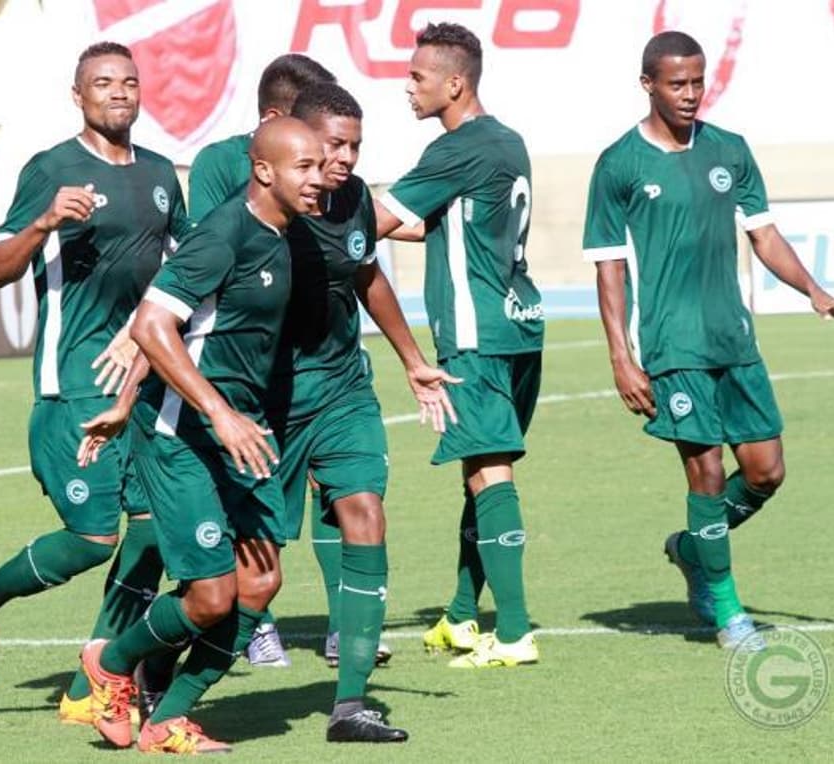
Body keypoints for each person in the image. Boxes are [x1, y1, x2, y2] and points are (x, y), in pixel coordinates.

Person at [0, 43, 190, 716]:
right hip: (69, 386)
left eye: (129, 82)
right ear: (77, 96)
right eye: (103, 83)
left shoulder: (163, 175)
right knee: (92, 537)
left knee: (150, 533)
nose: (119, 92)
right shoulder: (51, 169)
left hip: (140, 384)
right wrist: (45, 220)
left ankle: (92, 684)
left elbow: (183, 275)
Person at [582, 30, 834, 649]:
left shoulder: (730, 150)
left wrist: (813, 289)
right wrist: (622, 356)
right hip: (673, 347)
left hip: (733, 338)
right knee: (704, 473)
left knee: (765, 472)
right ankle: (729, 611)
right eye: (676, 83)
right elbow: (608, 265)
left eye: (697, 82)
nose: (689, 94)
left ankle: (690, 548)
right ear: (647, 84)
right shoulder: (619, 163)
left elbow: (763, 234)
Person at [76, 117, 325, 754]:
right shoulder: (223, 234)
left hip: (245, 432)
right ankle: (111, 664)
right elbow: (153, 325)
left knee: (260, 585)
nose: (318, 178)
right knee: (212, 596)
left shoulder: (290, 235)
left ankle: (167, 718)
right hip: (183, 434)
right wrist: (211, 410)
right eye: (304, 166)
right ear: (264, 170)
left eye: (320, 165)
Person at [272, 81, 455, 741]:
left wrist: (412, 358)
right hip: (270, 401)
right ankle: (134, 664)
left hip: (344, 388)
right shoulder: (260, 210)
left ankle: (351, 705)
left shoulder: (353, 198)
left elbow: (365, 273)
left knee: (365, 515)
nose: (346, 157)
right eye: (333, 144)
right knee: (248, 579)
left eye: (355, 144)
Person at [377, 22, 545, 668]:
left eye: (417, 76)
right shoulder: (508, 141)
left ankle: (514, 633)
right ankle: (459, 614)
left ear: (455, 82)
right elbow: (454, 228)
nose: (408, 86)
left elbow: (384, 219)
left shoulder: (457, 149)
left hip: (475, 333)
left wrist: (311, 214)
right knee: (483, 471)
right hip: (520, 321)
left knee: (488, 471)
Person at [188, 53, 336, 668]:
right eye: (307, 154)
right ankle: (251, 625)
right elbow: (193, 275)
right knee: (226, 507)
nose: (322, 167)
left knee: (337, 485)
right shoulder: (219, 170)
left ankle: (342, 619)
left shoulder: (328, 167)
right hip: (232, 371)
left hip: (312, 362)